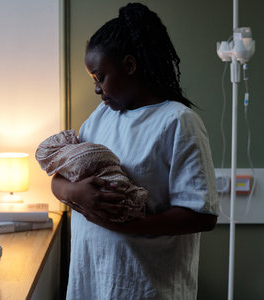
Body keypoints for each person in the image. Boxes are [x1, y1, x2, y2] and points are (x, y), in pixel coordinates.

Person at [51, 3, 219, 300]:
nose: (97, 90)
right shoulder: (101, 117)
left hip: (146, 288)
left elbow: (202, 215)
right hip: (91, 284)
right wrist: (76, 194)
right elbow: (58, 177)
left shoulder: (178, 122)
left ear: (129, 66)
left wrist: (131, 224)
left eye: (100, 77)